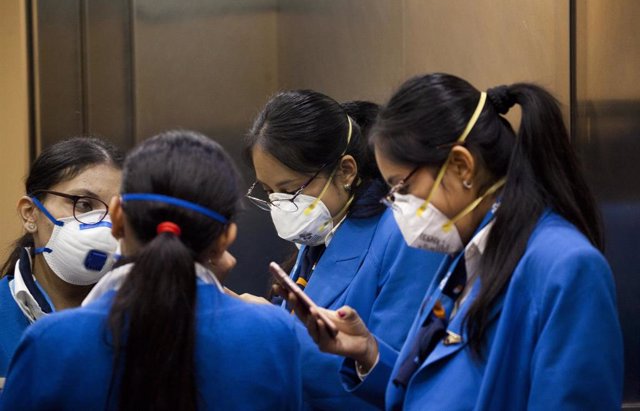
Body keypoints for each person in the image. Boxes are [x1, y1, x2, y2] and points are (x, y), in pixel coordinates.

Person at [285, 74, 624, 410]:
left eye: (402, 187)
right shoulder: (467, 255)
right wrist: (367, 351)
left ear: (462, 166)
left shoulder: (564, 265)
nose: (396, 205)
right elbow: (429, 386)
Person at [0, 131, 302, 410]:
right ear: (226, 238)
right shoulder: (273, 333)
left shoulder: (52, 341)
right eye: (83, 204)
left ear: (118, 219)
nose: (97, 221)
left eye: (107, 207)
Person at [243, 91, 443, 410]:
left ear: (346, 171)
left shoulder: (402, 236)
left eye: (290, 190)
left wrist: (276, 329)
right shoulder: (321, 231)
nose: (281, 205)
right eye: (269, 193)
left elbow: (398, 376)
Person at [0, 137, 123, 382]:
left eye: (118, 212)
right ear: (29, 214)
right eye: (84, 205)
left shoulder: (142, 319)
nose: (103, 226)